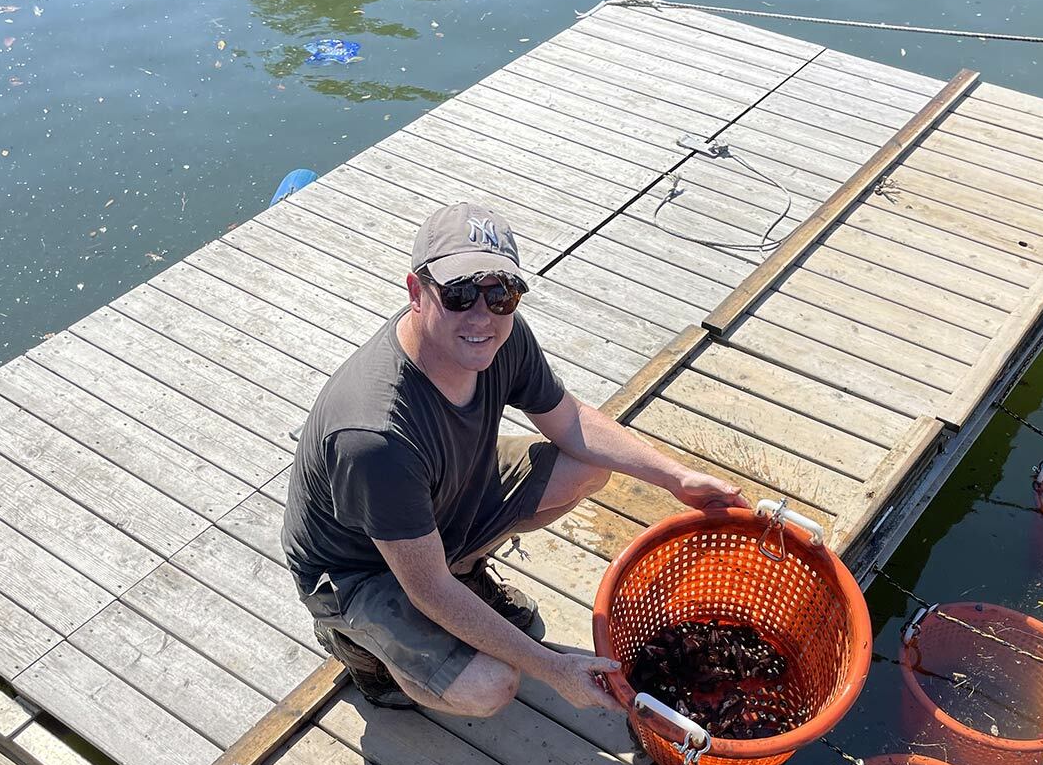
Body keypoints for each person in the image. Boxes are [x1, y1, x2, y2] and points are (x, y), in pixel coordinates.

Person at [282, 201, 744, 718]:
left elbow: (568, 420)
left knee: (589, 466)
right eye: (458, 295)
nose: (481, 316)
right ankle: (364, 652)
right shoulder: (374, 435)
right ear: (417, 292)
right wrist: (553, 667)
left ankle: (463, 567)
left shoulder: (503, 336)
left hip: (438, 504)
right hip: (359, 569)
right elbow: (430, 590)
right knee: (489, 685)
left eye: (501, 293)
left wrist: (676, 477)